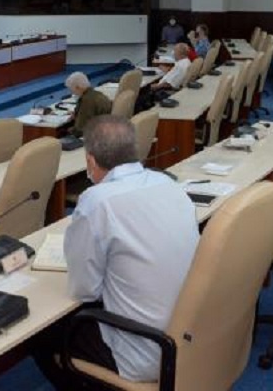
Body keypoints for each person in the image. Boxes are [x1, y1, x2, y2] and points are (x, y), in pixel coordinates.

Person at [45, 115, 198, 385]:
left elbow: (85, 291)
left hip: (146, 349)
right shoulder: (168, 183)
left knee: (44, 332)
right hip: (188, 337)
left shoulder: (97, 201)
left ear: (90, 161)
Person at [65, 72, 112, 137]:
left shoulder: (86, 100)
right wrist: (78, 113)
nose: (72, 93)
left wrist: (67, 130)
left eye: (72, 90)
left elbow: (80, 129)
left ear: (78, 87)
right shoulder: (97, 94)